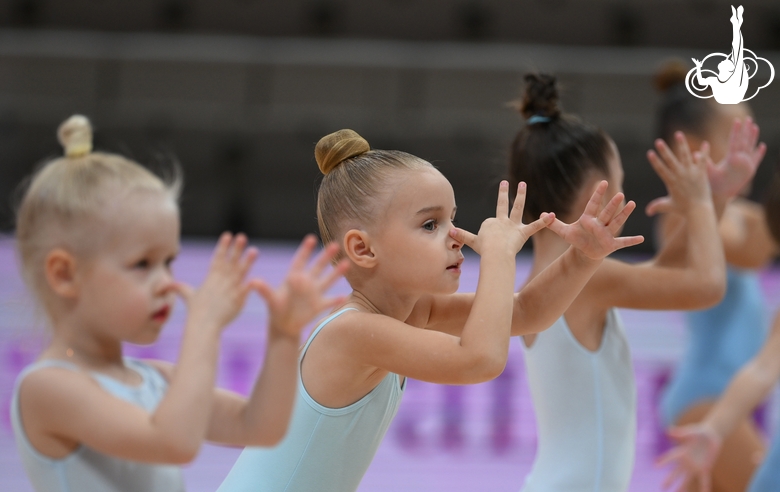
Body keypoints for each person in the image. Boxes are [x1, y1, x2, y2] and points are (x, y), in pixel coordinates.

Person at [218, 128, 643, 491]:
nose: (457, 235)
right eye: (429, 224)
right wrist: (497, 258)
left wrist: (582, 257)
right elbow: (479, 359)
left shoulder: (412, 312)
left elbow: (528, 313)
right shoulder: (350, 334)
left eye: (451, 219)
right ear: (363, 249)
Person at [10, 115, 348, 492]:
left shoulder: (155, 379)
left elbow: (260, 427)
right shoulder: (47, 387)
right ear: (64, 274)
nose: (167, 283)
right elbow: (173, 443)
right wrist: (204, 325)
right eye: (142, 264)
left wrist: (283, 334)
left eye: (168, 262)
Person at [506, 73, 743, 491]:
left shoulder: (557, 273)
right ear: (593, 196)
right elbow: (705, 286)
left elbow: (668, 273)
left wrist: (715, 198)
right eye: (619, 182)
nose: (624, 192)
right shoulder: (588, 278)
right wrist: (702, 204)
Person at [654, 60, 773, 492]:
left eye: (753, 134)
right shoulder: (680, 215)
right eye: (736, 135)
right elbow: (743, 251)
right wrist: (721, 195)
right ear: (695, 145)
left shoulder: (743, 213)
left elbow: (759, 245)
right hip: (706, 400)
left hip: (725, 402)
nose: (748, 149)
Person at [657, 168, 780, 492]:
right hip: (707, 396)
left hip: (719, 400)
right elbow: (762, 369)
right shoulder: (692, 218)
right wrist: (713, 428)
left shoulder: (749, 218)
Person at [691, 6, 748, 104]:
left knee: (737, 51)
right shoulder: (714, 80)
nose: (726, 59)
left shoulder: (734, 78)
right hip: (724, 102)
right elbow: (701, 82)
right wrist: (698, 68)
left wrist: (736, 25)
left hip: (733, 99)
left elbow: (737, 48)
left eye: (728, 61)